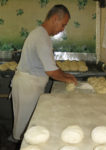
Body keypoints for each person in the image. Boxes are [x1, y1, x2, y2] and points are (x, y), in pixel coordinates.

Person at [11, 4, 77, 141]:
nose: (62, 29)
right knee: (25, 125)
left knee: (26, 123)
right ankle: (19, 144)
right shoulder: (41, 37)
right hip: (28, 87)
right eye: (63, 25)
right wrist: (69, 80)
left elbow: (49, 65)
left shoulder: (41, 34)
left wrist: (65, 75)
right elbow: (51, 71)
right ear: (54, 19)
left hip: (30, 85)